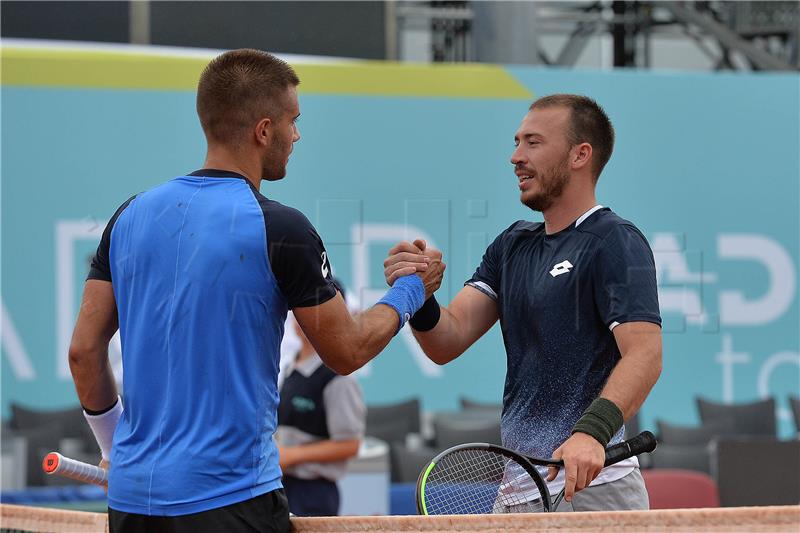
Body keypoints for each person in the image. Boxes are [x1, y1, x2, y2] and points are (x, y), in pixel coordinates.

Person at [67, 48, 444, 533]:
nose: (298, 135)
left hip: (131, 502)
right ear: (263, 131)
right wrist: (410, 292)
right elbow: (347, 350)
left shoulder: (128, 216)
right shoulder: (281, 227)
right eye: (293, 121)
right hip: (231, 500)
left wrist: (113, 450)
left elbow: (82, 351)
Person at [384, 94, 662, 512]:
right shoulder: (511, 245)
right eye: (516, 142)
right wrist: (421, 295)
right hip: (516, 496)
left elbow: (645, 354)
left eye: (533, 143)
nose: (516, 156)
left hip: (592, 492)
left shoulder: (615, 241)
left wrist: (591, 434)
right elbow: (447, 339)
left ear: (579, 155)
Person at [276, 280, 366, 517]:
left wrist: (291, 456)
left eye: (317, 307)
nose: (306, 315)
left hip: (313, 494)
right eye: (301, 306)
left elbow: (350, 443)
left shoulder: (338, 377)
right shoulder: (288, 367)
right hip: (281, 486)